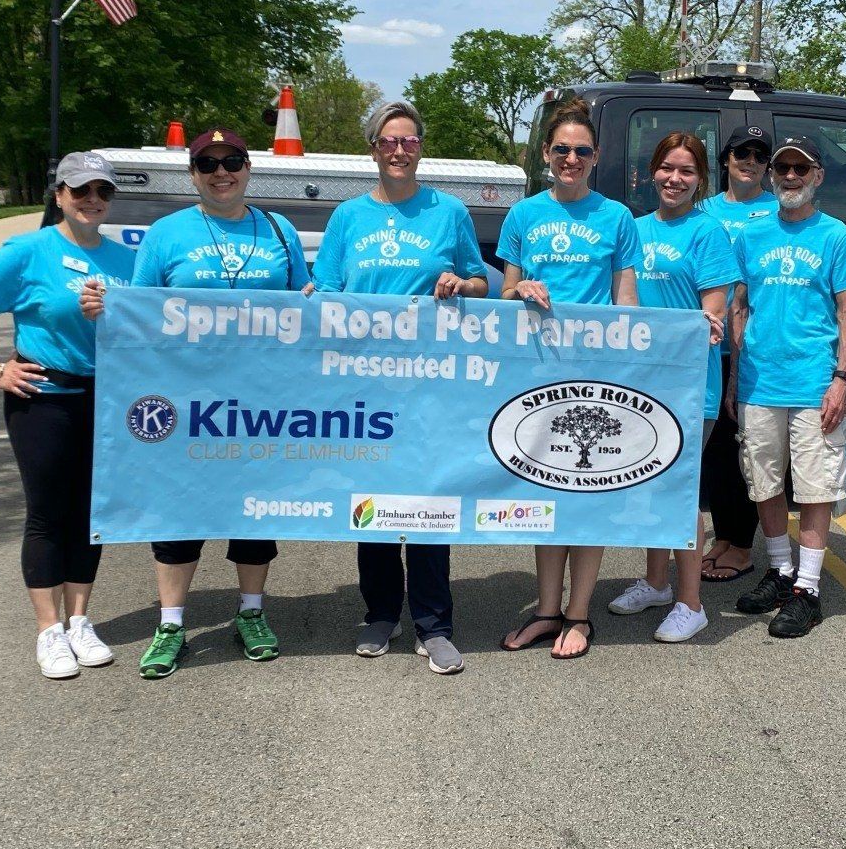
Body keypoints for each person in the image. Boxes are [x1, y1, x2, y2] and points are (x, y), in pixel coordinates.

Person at [109, 127, 311, 679]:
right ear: (192, 174)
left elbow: (304, 305)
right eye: (208, 164)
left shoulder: (278, 229)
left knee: (253, 509)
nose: (222, 171)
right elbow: (140, 311)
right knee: (179, 510)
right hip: (187, 398)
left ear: (248, 168)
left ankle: (251, 613)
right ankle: (171, 623)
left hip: (260, 399)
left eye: (233, 161)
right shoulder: (166, 233)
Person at [0, 151, 135, 679]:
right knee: (48, 512)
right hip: (43, 397)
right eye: (80, 191)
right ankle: (48, 630)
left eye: (102, 192)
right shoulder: (28, 250)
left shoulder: (125, 260)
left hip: (105, 397)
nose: (92, 200)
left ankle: (79, 620)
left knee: (90, 514)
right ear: (59, 197)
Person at [313, 100, 488, 676]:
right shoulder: (348, 217)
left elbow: (482, 281)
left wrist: (461, 281)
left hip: (432, 384)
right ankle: (381, 612)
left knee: (430, 497)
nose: (398, 150)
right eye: (388, 140)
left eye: (409, 141)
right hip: (364, 386)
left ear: (420, 147)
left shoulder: (449, 211)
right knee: (374, 500)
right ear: (373, 147)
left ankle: (435, 625)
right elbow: (326, 290)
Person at [496, 97, 640, 660]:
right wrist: (521, 289)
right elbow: (505, 293)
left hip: (596, 380)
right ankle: (546, 610)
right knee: (546, 494)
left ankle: (578, 615)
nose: (572, 159)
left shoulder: (617, 218)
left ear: (596, 157)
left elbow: (626, 301)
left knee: (588, 495)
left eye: (582, 150)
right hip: (536, 376)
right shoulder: (524, 215)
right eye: (562, 150)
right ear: (546, 154)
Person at [729, 135, 846, 639]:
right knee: (763, 481)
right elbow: (739, 306)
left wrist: (842, 380)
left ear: (817, 176)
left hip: (814, 383)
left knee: (813, 487)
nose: (789, 176)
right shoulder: (751, 235)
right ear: (771, 175)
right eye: (782, 168)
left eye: (800, 169)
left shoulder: (835, 237)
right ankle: (781, 572)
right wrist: (736, 376)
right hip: (760, 383)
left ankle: (808, 589)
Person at [606, 132, 736, 642]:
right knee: (651, 484)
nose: (675, 179)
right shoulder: (634, 230)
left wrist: (693, 324)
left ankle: (691, 602)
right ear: (651, 172)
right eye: (667, 168)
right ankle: (657, 582)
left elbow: (714, 311)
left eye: (686, 171)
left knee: (681, 490)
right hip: (642, 382)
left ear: (700, 179)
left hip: (689, 385)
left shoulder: (709, 233)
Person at [696, 124, 778, 584]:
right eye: (740, 153)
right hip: (707, 348)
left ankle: (743, 546)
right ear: (724, 160)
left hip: (752, 349)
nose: (750, 161)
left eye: (759, 155)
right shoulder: (704, 210)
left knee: (746, 447)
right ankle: (725, 537)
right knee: (718, 452)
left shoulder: (778, 211)